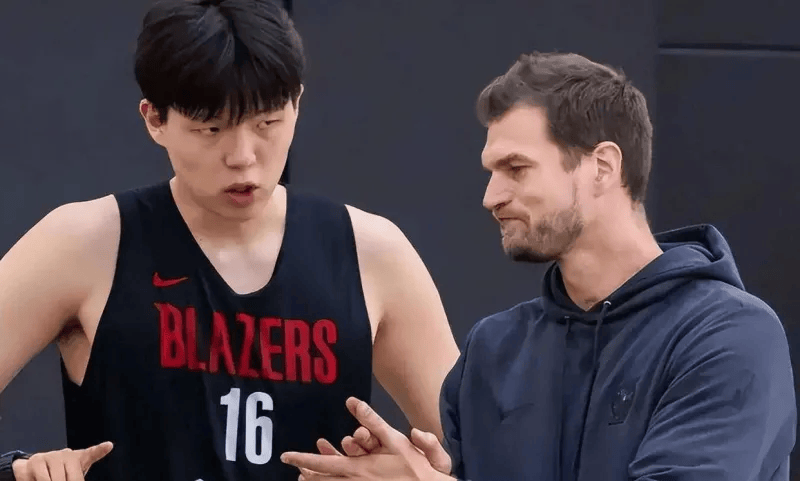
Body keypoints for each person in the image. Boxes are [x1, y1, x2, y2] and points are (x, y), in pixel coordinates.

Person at [280, 51, 798, 480]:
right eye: (491, 171)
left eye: (516, 168)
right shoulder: (492, 351)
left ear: (602, 167)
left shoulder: (730, 336)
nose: (491, 197)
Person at [0, 1, 460, 480]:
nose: (242, 157)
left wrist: (424, 476)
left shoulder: (372, 254)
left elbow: (484, 454)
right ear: (154, 119)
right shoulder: (83, 245)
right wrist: (19, 472)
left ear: (297, 103)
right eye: (211, 129)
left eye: (267, 123)